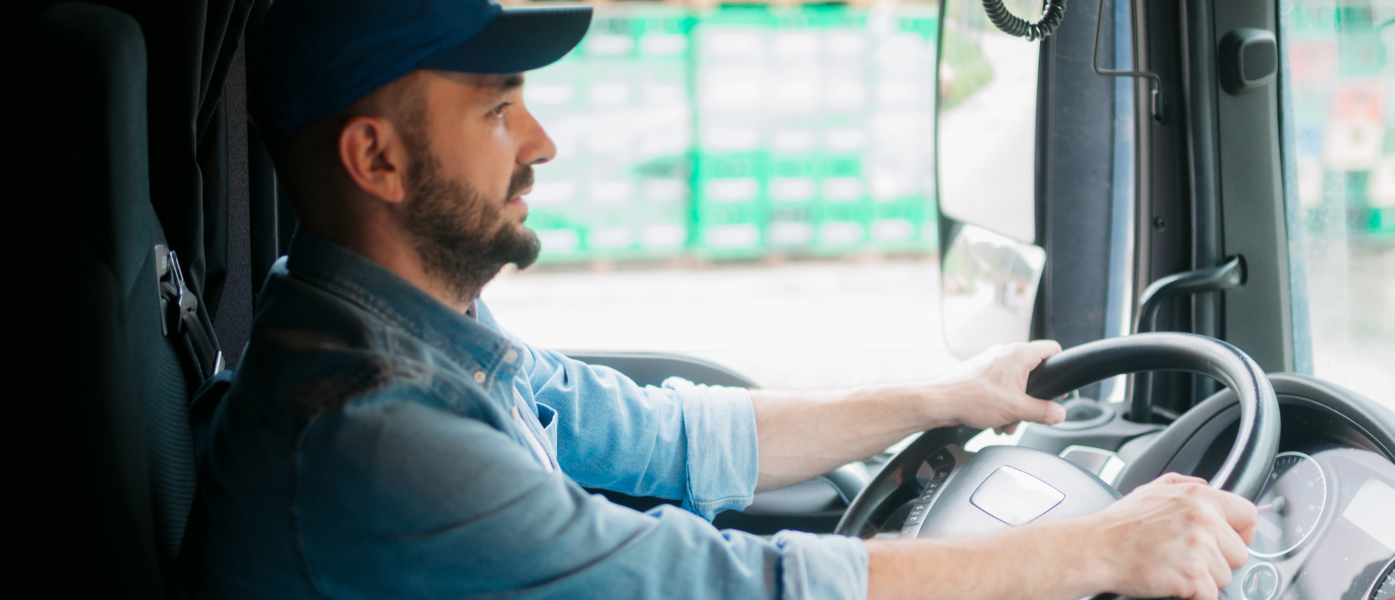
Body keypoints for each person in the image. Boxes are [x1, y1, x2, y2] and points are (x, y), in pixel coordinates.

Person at [195, 0, 1258, 598]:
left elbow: (667, 433)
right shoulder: (371, 427)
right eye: (498, 111)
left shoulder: (414, 339)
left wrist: (950, 397)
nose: (541, 143)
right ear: (375, 158)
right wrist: (1103, 547)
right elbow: (730, 588)